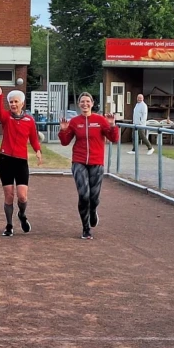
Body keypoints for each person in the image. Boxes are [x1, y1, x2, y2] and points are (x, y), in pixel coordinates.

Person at [59, 92, 119, 240]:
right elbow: (65, 142)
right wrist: (63, 130)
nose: (85, 104)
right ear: (79, 104)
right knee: (84, 195)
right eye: (82, 102)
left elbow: (114, 139)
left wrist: (112, 125)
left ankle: (93, 211)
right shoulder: (75, 121)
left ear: (92, 104)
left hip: (96, 162)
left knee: (94, 197)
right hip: (79, 161)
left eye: (87, 101)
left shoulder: (100, 120)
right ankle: (86, 228)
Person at [0, 83, 42, 236]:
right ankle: (9, 225)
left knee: (23, 196)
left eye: (16, 101)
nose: (13, 104)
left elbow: (33, 138)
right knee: (9, 194)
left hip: (21, 161)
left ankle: (22, 215)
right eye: (11, 102)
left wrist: (38, 151)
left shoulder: (29, 120)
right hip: (5, 160)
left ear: (22, 103)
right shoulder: (6, 118)